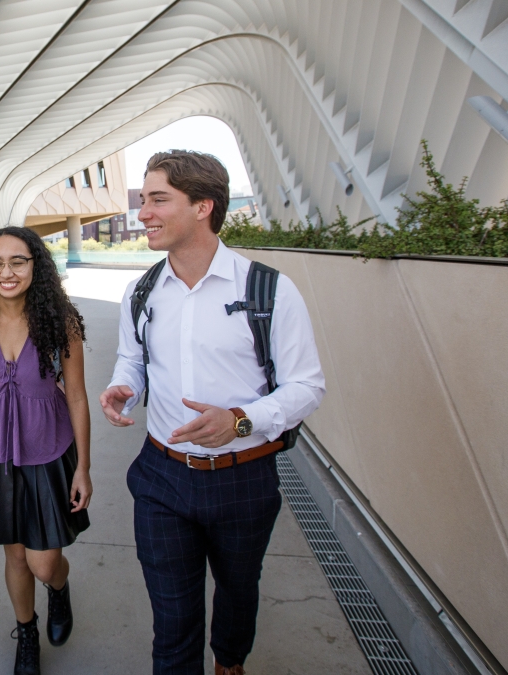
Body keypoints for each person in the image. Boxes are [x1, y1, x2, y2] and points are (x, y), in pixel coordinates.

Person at [99, 151, 325, 675]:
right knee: (173, 625)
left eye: (158, 200)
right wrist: (121, 389)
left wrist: (240, 420)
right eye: (143, 200)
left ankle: (230, 662)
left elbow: (307, 386)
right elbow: (133, 360)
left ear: (204, 205)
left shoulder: (268, 290)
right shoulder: (141, 291)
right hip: (161, 477)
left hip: (244, 479)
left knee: (239, 592)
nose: (143, 214)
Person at [0, 227, 93, 675]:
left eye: (18, 261)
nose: (6, 272)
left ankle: (59, 588)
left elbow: (76, 397)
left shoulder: (59, 320)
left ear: (36, 265)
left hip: (49, 453)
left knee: (44, 561)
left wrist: (83, 468)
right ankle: (26, 631)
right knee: (15, 556)